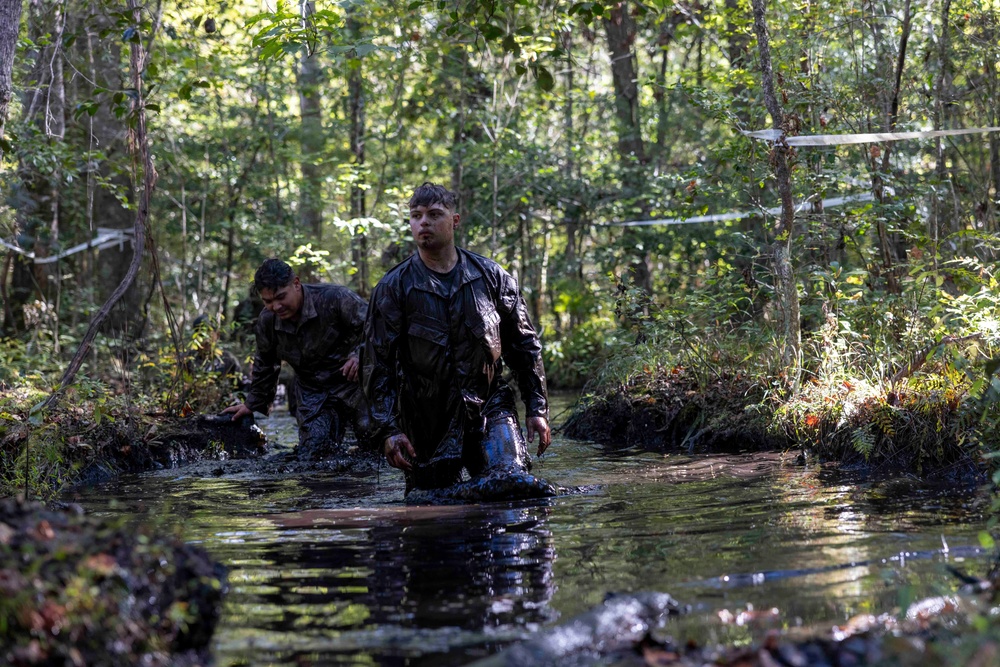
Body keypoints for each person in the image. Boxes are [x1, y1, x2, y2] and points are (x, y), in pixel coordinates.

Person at [362, 182, 551, 493]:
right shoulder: (393, 287)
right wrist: (388, 431)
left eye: (435, 214)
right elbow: (375, 365)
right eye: (416, 215)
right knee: (433, 509)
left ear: (455, 220)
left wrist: (536, 409)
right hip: (425, 421)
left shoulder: (491, 277)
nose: (424, 222)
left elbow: (524, 346)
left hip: (489, 406)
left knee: (511, 486)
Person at [223, 259, 372, 460]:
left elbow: (377, 328)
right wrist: (252, 403)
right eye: (268, 301)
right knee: (315, 455)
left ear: (296, 284)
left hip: (357, 384)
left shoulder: (335, 298)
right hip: (313, 391)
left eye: (280, 297)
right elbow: (266, 363)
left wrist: (360, 355)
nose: (276, 306)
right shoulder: (267, 320)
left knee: (373, 443)